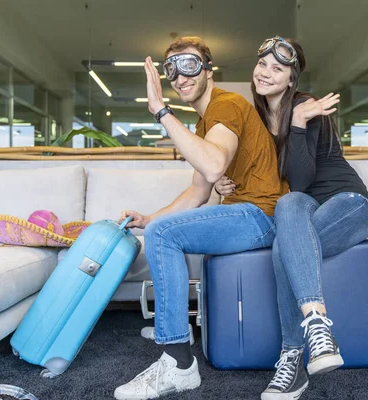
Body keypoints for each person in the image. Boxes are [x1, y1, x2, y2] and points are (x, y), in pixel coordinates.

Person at [113, 36, 288, 400]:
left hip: (262, 215)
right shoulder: (205, 123)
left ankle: (178, 364)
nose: (180, 77)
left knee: (164, 235)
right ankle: (174, 333)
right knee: (160, 230)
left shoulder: (226, 105)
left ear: (209, 70)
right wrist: (148, 218)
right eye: (171, 71)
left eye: (189, 65)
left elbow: (212, 163)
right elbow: (198, 191)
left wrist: (160, 110)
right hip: (246, 212)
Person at [215, 36, 368, 400]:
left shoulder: (305, 107)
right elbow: (278, 185)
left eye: (277, 68)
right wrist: (227, 180)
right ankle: (312, 338)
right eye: (262, 65)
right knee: (287, 217)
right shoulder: (255, 119)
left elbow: (302, 180)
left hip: (348, 204)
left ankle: (294, 356)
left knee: (284, 241)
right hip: (303, 209)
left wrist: (300, 123)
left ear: (291, 79)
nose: (266, 73)